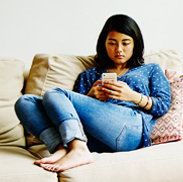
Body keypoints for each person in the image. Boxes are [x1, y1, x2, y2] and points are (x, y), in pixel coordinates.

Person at [14, 14, 171, 172]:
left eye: (125, 43)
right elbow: (69, 114)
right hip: (93, 138)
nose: (119, 50)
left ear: (135, 44)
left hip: (131, 129)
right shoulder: (89, 75)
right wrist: (90, 97)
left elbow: (163, 105)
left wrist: (133, 96)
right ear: (104, 44)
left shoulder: (150, 69)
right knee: (25, 102)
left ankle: (78, 150)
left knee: (54, 93)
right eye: (112, 43)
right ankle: (63, 148)